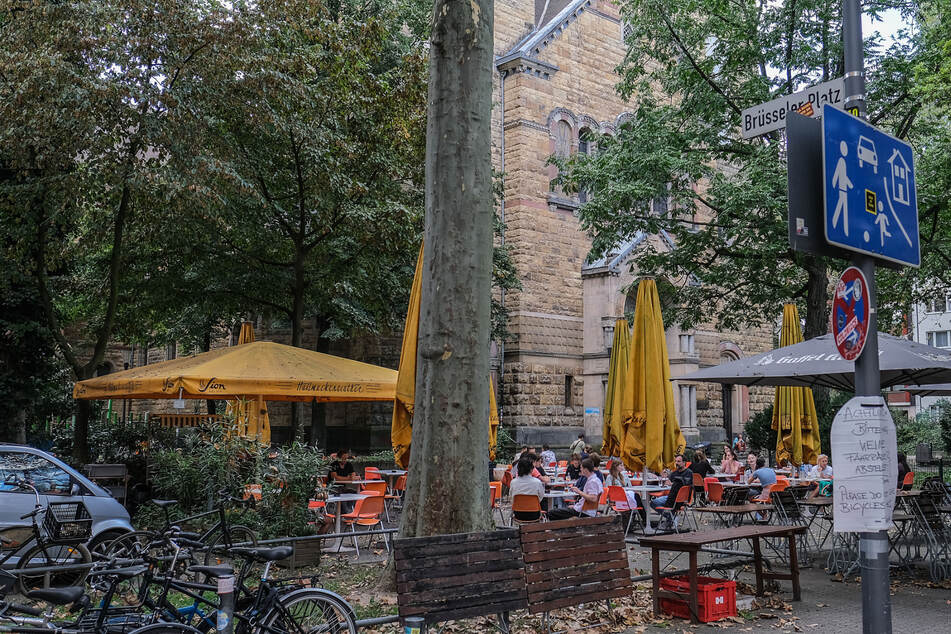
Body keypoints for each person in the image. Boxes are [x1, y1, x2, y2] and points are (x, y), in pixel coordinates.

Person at [650, 455, 693, 524]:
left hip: (680, 498)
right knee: (653, 502)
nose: (676, 463)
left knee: (655, 502)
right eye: (675, 461)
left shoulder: (688, 473)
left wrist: (672, 484)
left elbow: (685, 486)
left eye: (679, 461)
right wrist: (664, 477)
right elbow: (668, 480)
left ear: (684, 462)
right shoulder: (675, 472)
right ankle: (671, 517)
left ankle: (670, 518)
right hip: (671, 495)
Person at [606, 460, 646, 524]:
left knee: (636, 496)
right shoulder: (609, 477)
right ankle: (644, 519)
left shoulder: (622, 475)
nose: (623, 467)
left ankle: (642, 518)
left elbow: (630, 487)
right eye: (621, 465)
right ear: (616, 466)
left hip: (624, 497)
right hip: (617, 499)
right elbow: (608, 491)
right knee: (637, 497)